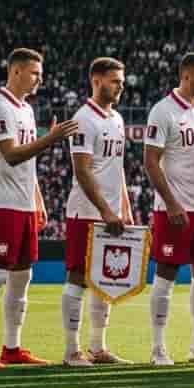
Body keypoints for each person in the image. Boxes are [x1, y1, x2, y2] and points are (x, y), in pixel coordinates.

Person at [0, 48, 79, 368]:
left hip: (22, 204)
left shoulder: (26, 110)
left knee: (22, 277)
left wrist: (38, 199)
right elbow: (12, 155)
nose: (39, 79)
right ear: (16, 71)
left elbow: (27, 163)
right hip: (1, 203)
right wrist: (52, 137)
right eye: (34, 73)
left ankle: (12, 348)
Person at [143, 53, 194, 366]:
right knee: (166, 273)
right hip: (173, 208)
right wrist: (172, 202)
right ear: (186, 76)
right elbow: (151, 161)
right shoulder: (162, 111)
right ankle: (158, 347)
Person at [60, 57, 135, 367]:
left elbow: (116, 170)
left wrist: (125, 207)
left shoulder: (116, 119)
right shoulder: (83, 119)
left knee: (106, 281)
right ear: (97, 80)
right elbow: (82, 170)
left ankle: (97, 347)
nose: (121, 86)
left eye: (121, 81)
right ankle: (71, 350)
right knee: (77, 277)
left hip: (110, 212)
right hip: (86, 212)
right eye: (115, 80)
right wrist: (105, 209)